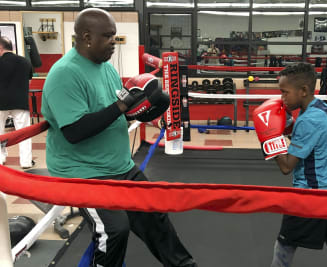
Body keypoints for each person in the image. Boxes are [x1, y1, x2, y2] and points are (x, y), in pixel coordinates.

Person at [41, 8, 197, 267]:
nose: (113, 42)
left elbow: (115, 115)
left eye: (114, 36)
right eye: (107, 36)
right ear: (87, 37)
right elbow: (75, 132)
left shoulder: (106, 69)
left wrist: (149, 114)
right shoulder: (64, 74)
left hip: (119, 166)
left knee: (154, 214)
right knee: (114, 230)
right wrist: (122, 107)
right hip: (84, 173)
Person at [253, 63, 327, 267]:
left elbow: (286, 167)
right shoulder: (321, 106)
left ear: (303, 91)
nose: (282, 98)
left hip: (312, 194)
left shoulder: (308, 121)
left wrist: (269, 137)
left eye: (285, 93)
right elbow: (310, 140)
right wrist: (288, 127)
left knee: (284, 245)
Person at [0, 36, 34, 168]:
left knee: (0, 133)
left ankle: (1, 159)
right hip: (20, 102)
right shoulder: (25, 62)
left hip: (0, 102)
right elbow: (29, 81)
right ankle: (25, 162)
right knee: (24, 133)